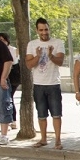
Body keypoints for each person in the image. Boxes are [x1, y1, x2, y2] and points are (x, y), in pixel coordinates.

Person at [26, 17, 65, 150]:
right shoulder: (32, 44)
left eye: (46, 29)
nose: (44, 32)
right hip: (38, 85)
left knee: (56, 114)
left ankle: (58, 140)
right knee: (41, 114)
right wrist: (37, 56)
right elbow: (29, 64)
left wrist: (50, 55)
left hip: (53, 84)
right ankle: (43, 139)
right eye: (41, 30)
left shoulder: (58, 42)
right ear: (37, 30)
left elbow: (60, 61)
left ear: (49, 28)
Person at [0, 33, 20, 130]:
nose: (2, 42)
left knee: (9, 97)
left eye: (3, 40)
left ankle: (13, 120)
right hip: (1, 75)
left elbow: (13, 62)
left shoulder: (12, 50)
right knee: (3, 99)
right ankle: (6, 121)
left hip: (12, 76)